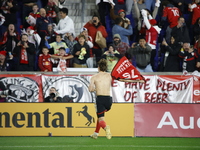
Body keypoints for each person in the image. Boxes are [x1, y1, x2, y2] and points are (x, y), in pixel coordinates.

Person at [89, 58, 112, 140]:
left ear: (98, 67)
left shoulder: (94, 77)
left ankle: (106, 128)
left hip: (100, 98)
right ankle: (96, 133)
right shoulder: (110, 75)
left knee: (101, 118)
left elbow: (90, 89)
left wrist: (96, 89)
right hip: (109, 99)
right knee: (99, 116)